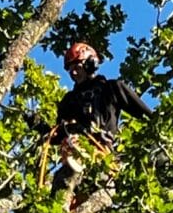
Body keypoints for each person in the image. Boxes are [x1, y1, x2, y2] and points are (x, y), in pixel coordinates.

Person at [49, 41, 152, 200]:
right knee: (61, 186)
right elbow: (55, 135)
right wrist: (37, 124)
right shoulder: (69, 101)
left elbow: (147, 117)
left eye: (77, 67)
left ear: (90, 63)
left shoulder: (112, 88)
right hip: (76, 156)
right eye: (70, 70)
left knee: (95, 191)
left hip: (104, 156)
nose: (74, 73)